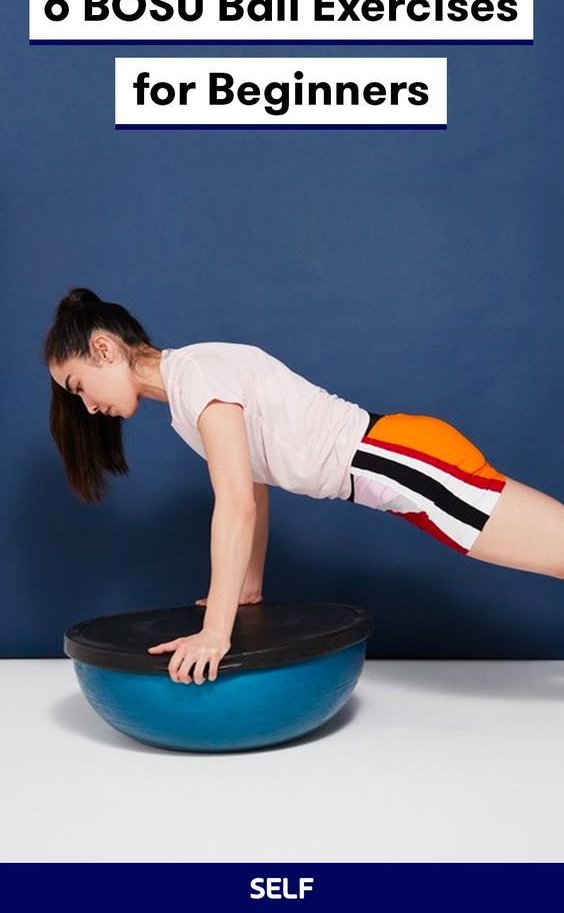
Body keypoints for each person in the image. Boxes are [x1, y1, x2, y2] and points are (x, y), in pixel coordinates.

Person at [44, 288, 564, 687]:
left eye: (78, 386)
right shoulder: (189, 399)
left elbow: (236, 507)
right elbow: (254, 484)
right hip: (394, 466)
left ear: (105, 349)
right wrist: (247, 588)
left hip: (401, 461)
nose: (88, 407)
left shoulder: (197, 378)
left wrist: (217, 631)